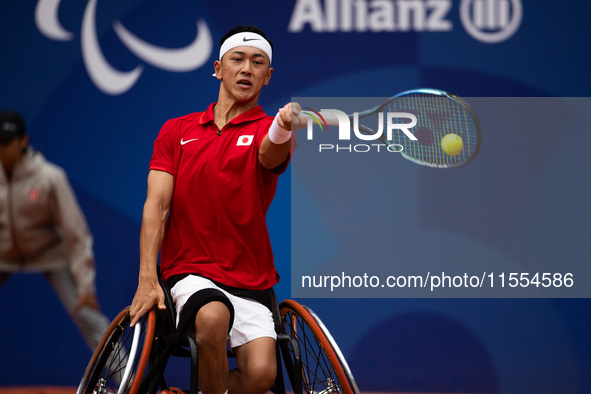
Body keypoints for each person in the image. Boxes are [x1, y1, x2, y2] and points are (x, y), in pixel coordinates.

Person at [129, 25, 304, 394]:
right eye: (237, 59)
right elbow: (157, 205)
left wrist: (283, 129)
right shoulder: (176, 131)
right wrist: (148, 278)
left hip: (250, 280)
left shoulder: (267, 130)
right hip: (190, 272)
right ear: (218, 68)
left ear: (268, 76)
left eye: (258, 62)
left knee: (260, 375)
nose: (246, 69)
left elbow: (270, 155)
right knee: (212, 316)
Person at [0, 110, 111, 352]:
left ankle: (130, 383)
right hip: (4, 253)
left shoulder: (50, 178)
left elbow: (75, 234)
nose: (1, 148)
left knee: (86, 313)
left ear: (22, 141)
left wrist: (85, 288)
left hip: (51, 253)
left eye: (6, 142)